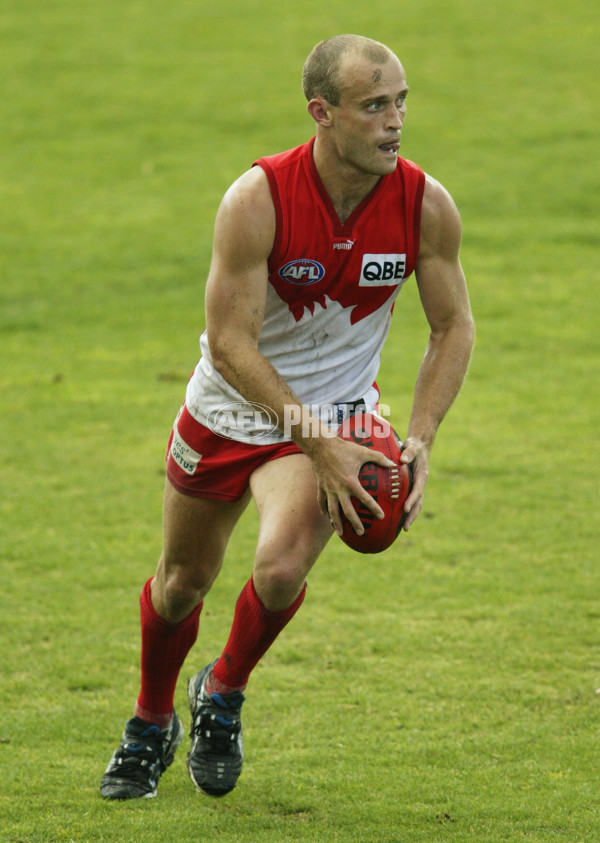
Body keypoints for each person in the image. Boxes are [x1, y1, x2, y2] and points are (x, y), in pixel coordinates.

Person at [100, 34, 474, 800]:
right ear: (323, 113)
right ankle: (150, 718)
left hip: (335, 417)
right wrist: (315, 440)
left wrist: (421, 435)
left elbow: (453, 326)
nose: (394, 121)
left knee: (278, 569)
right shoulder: (257, 198)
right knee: (180, 585)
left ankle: (224, 692)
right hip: (230, 410)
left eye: (400, 102)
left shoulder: (424, 205)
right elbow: (232, 343)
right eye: (374, 106)